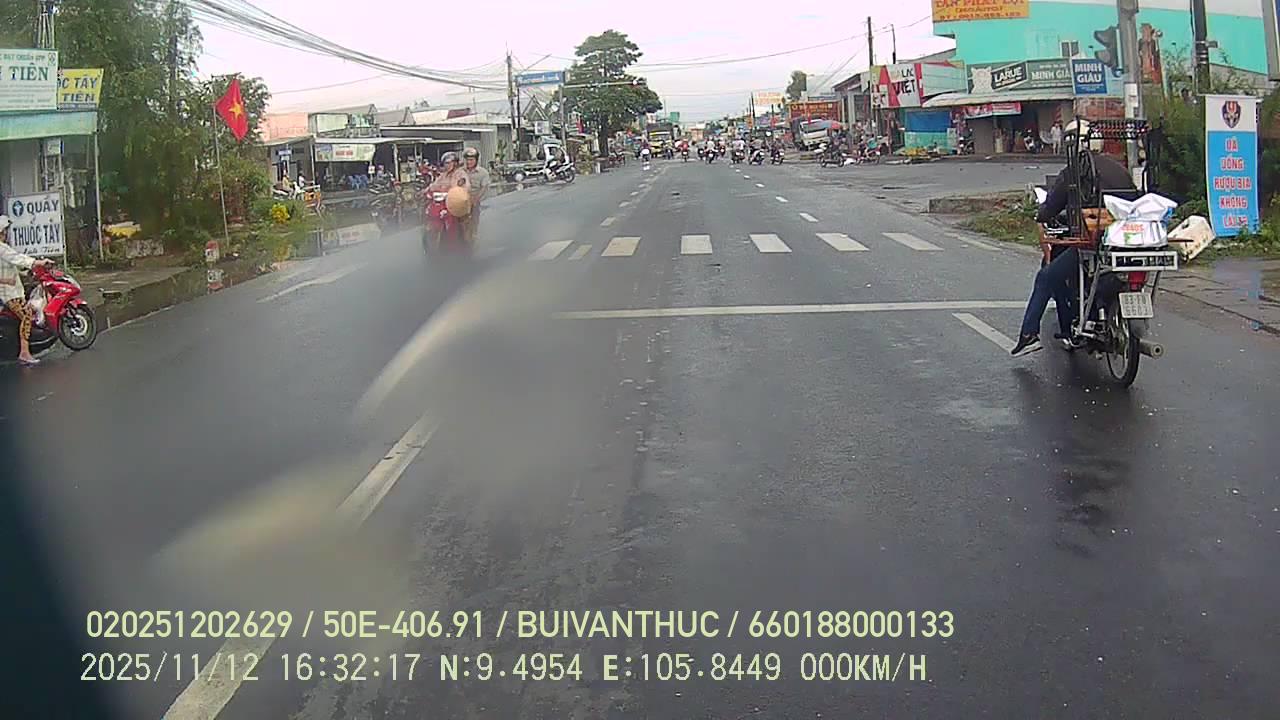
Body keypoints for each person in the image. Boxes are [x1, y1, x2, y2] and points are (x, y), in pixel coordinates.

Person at [1011, 123, 1140, 356]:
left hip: (1095, 242)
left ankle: (1029, 334)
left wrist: (1041, 213)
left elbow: (1050, 208)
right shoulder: (1119, 169)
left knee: (1046, 277)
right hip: (1129, 240)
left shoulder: (1075, 171)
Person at [0, 215, 55, 366]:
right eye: (4, 231)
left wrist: (26, 273)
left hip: (13, 291)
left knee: (29, 308)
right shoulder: (2, 248)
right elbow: (18, 258)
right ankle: (24, 352)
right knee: (27, 315)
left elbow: (11, 266)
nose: (6, 233)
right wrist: (38, 262)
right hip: (9, 294)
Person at [460, 147, 490, 243]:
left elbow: (484, 188)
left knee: (473, 217)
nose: (469, 162)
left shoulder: (483, 173)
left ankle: (473, 235)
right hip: (460, 199)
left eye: (471, 160)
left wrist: (476, 199)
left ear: (476, 160)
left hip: (474, 200)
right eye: (467, 160)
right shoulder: (460, 171)